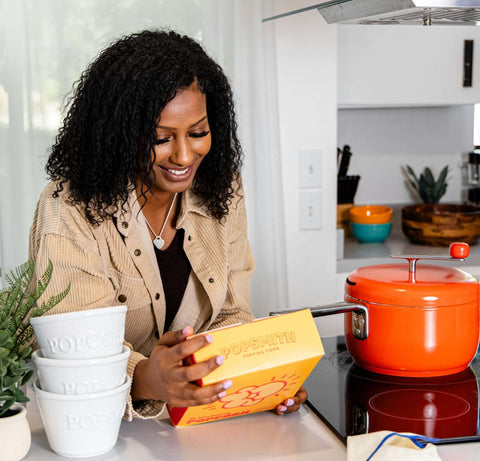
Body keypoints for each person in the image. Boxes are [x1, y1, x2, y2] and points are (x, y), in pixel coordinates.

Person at [29, 29, 307, 421]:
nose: (183, 154)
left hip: (193, 424)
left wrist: (263, 378)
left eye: (198, 133)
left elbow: (231, 313)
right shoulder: (70, 208)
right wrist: (144, 378)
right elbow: (72, 353)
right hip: (94, 424)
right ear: (119, 136)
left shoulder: (222, 188)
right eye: (161, 137)